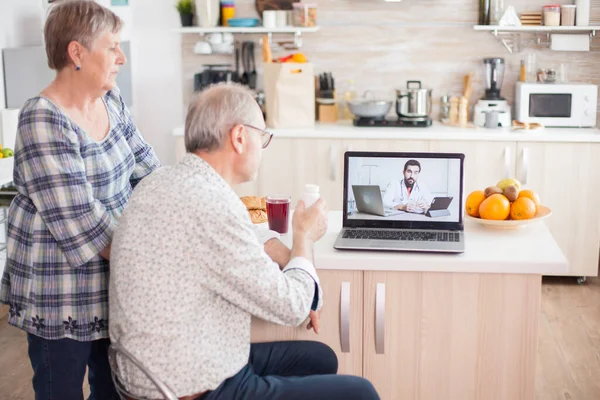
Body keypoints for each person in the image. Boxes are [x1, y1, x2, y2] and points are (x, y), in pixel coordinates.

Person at [109, 83, 380, 400]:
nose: (263, 147)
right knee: (361, 393)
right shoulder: (213, 205)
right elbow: (294, 307)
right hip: (188, 386)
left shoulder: (165, 181)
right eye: (262, 136)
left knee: (320, 358)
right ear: (239, 137)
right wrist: (303, 237)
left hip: (152, 368)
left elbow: (225, 241)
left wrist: (276, 249)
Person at [0, 1, 160, 399]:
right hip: (61, 296)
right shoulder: (43, 118)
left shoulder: (111, 99)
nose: (121, 57)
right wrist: (162, 254)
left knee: (115, 390)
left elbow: (149, 170)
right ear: (77, 52)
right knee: (61, 392)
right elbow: (83, 223)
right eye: (112, 47)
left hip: (114, 283)